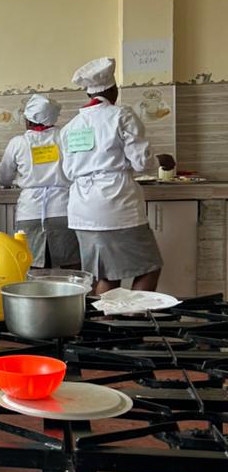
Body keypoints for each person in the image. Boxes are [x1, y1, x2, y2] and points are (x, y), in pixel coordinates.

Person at [60, 57, 175, 295]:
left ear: (88, 92)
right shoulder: (121, 115)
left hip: (81, 209)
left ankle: (111, 317)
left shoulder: (71, 127)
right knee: (149, 267)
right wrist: (161, 160)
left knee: (107, 275)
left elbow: (68, 171)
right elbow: (142, 163)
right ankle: (132, 314)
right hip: (115, 206)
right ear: (113, 90)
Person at [0, 94, 80, 268]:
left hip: (30, 212)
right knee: (71, 267)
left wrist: (9, 182)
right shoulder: (64, 137)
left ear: (28, 120)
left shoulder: (18, 143)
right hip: (63, 210)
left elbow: (4, 176)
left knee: (32, 266)